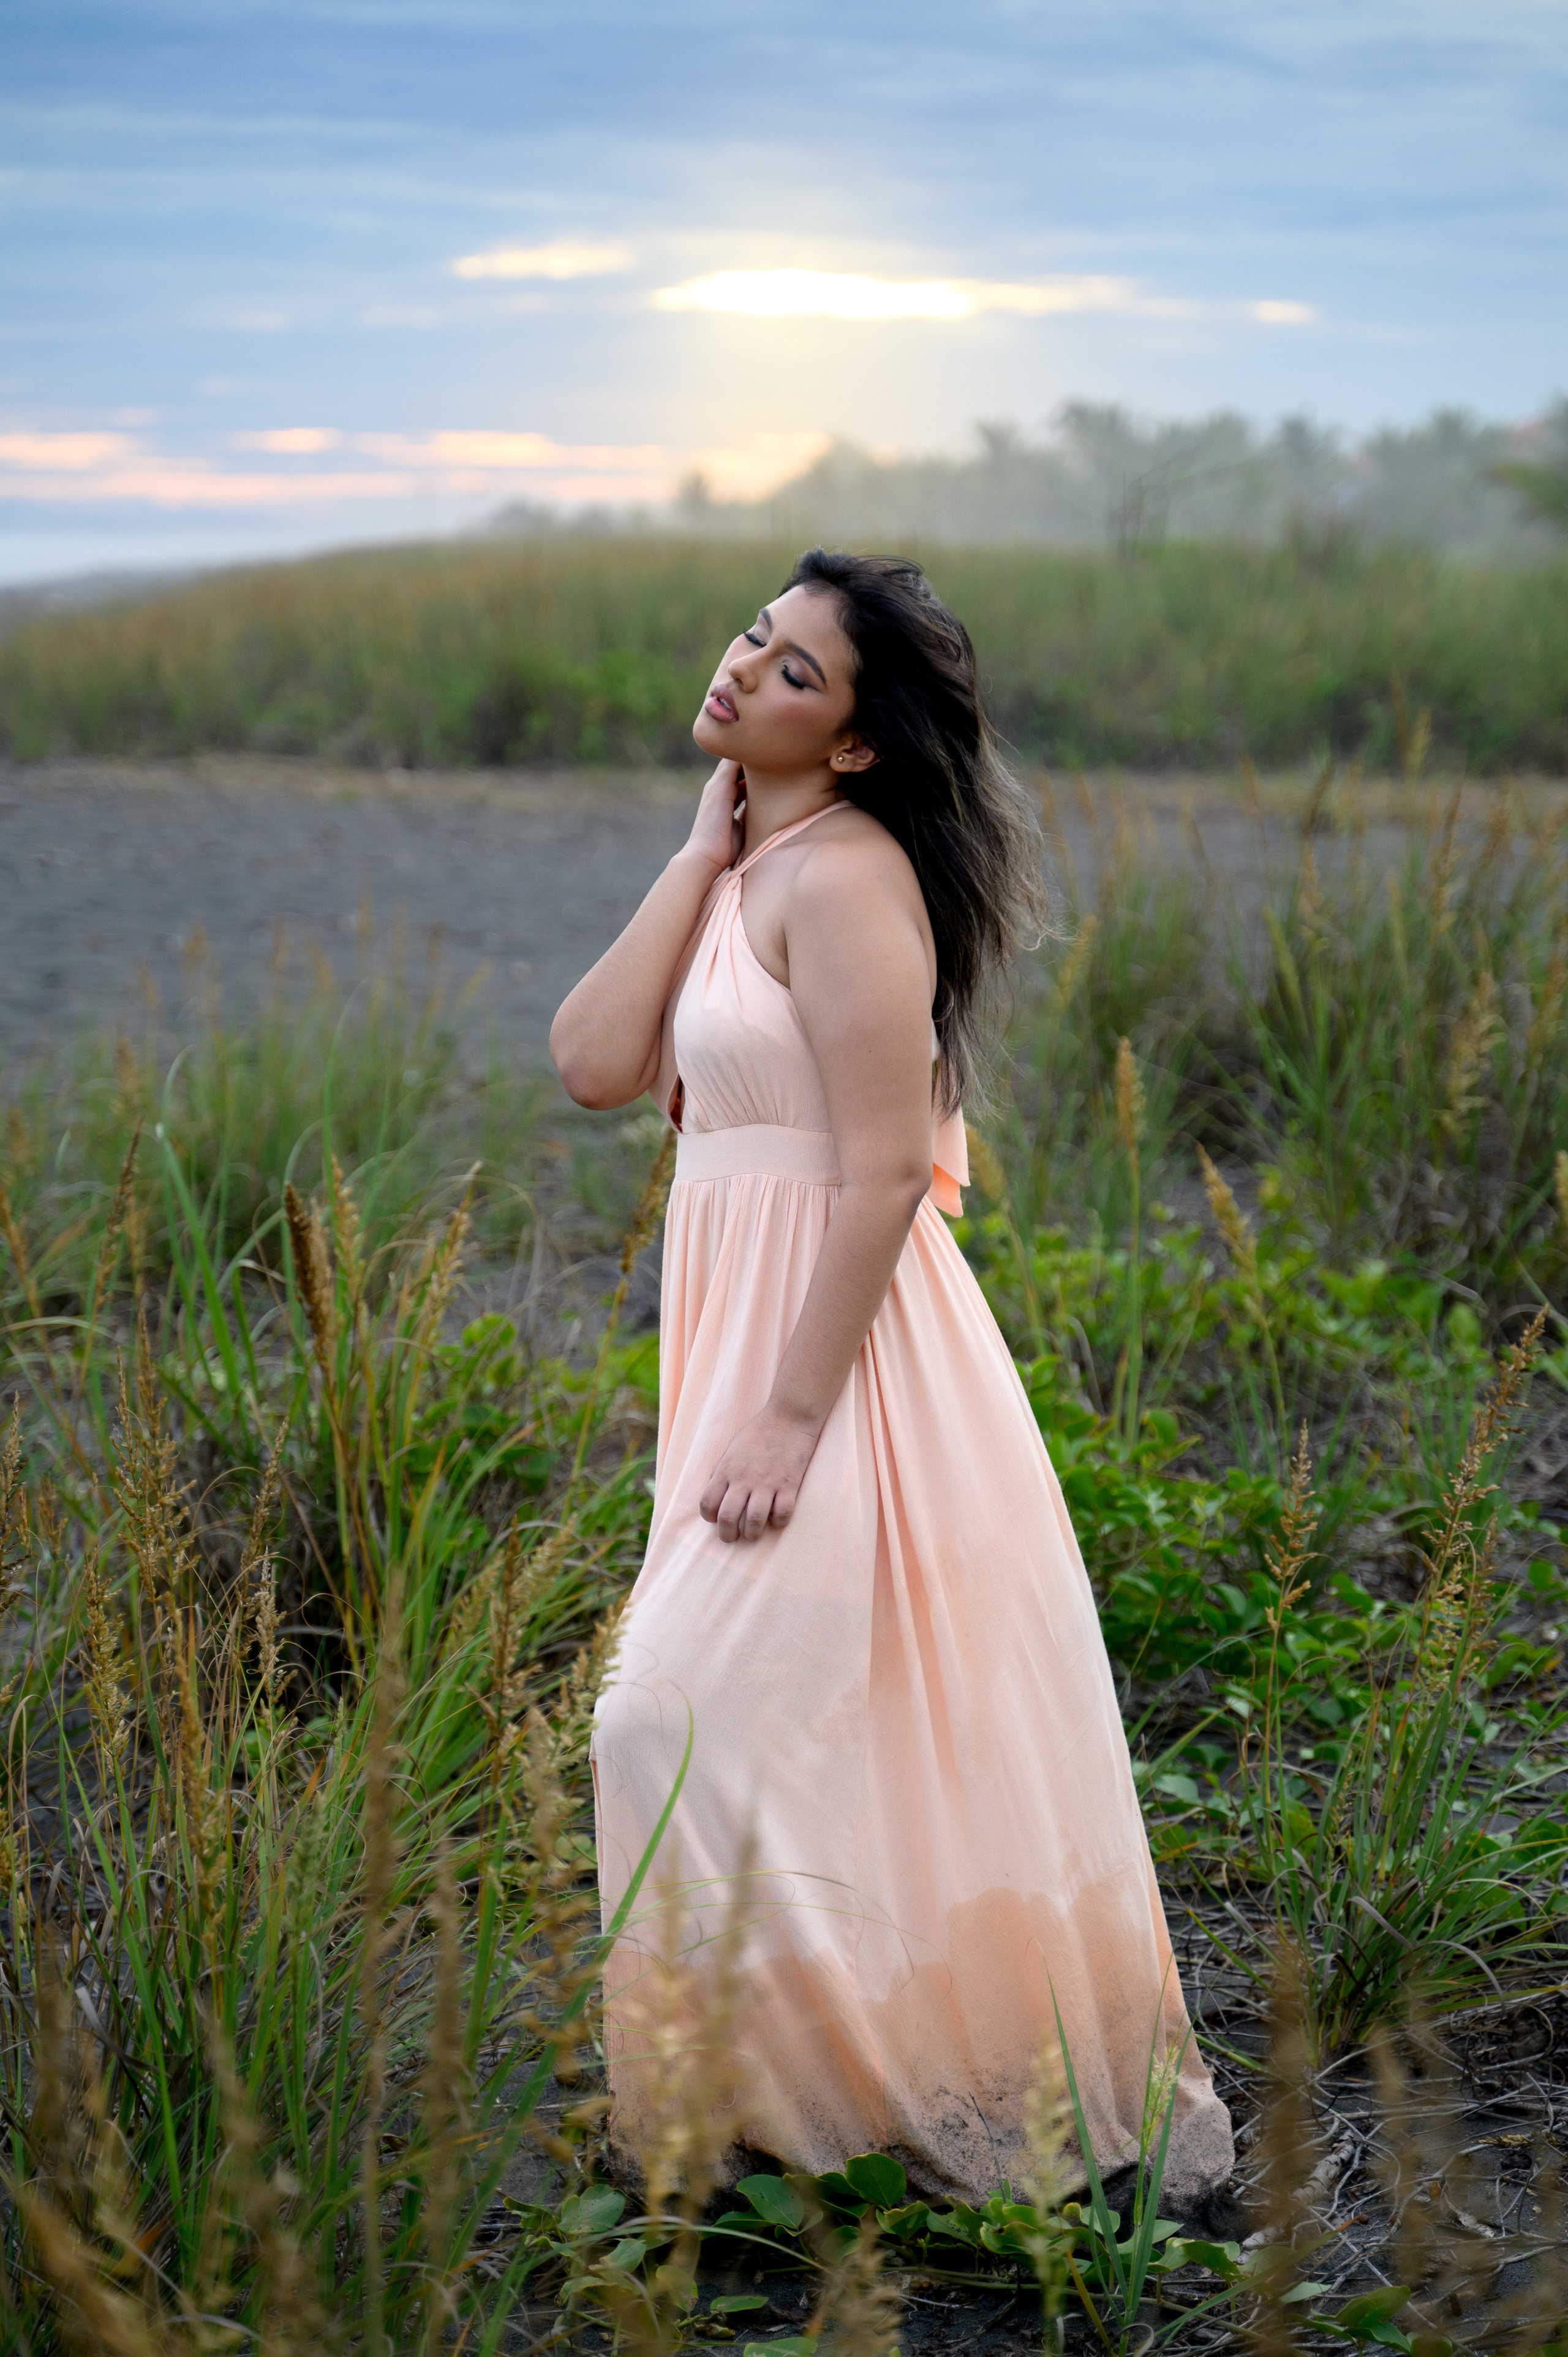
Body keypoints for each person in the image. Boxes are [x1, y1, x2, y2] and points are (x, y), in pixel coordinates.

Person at [549, 550, 1234, 2208]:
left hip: (841, 1354)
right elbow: (591, 1063)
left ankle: (788, 2111)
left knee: (666, 1715)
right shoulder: (748, 861)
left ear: (857, 743)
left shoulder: (850, 878)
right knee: (789, 1723)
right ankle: (775, 2114)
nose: (743, 671)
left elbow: (875, 1174)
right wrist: (697, 848)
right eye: (753, 638)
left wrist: (789, 1413)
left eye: (793, 674)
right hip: (747, 1334)